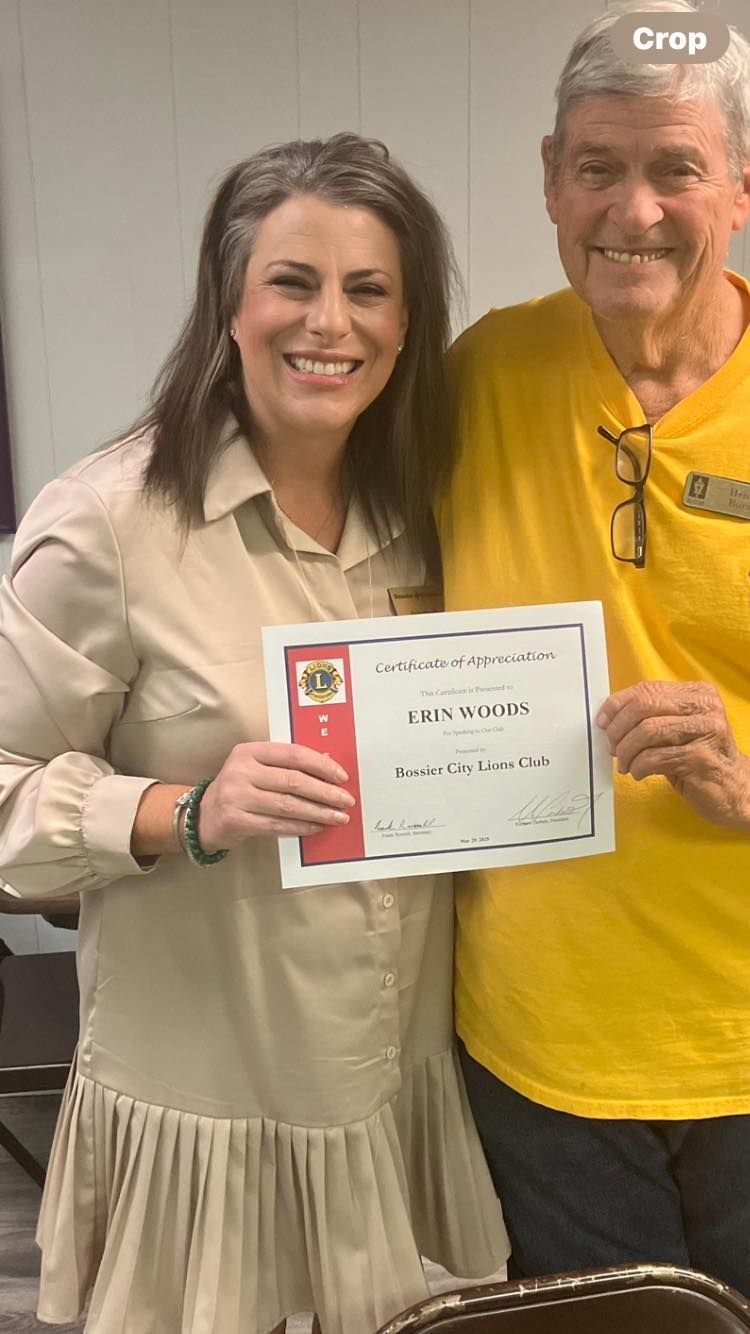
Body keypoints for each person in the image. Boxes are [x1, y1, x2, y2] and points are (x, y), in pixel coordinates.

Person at [0, 133, 508, 1334]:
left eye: (368, 288)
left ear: (407, 319)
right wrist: (181, 809)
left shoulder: (436, 506)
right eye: (293, 280)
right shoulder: (109, 522)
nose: (329, 322)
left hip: (397, 1093)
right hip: (212, 1115)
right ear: (229, 299)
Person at [439, 0, 750, 1295]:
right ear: (549, 180)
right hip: (535, 1036)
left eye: (671, 167)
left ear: (735, 187)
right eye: (596, 167)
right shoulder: (478, 373)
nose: (631, 208)